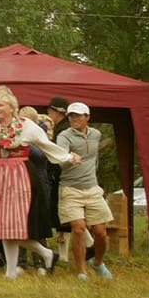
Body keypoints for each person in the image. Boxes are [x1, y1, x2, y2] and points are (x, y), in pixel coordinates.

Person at [0, 87, 79, 278]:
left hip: (18, 177)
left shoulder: (26, 126)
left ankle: (20, 267)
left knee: (12, 226)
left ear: (11, 107)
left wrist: (67, 156)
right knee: (1, 226)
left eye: (0, 105)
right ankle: (38, 258)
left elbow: (45, 145)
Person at [54, 103, 115, 280]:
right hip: (70, 188)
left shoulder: (96, 134)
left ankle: (97, 262)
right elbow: (59, 158)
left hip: (92, 188)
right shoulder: (64, 136)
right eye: (71, 116)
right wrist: (69, 158)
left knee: (101, 232)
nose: (74, 119)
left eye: (78, 116)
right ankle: (81, 271)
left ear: (87, 117)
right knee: (79, 228)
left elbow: (94, 159)